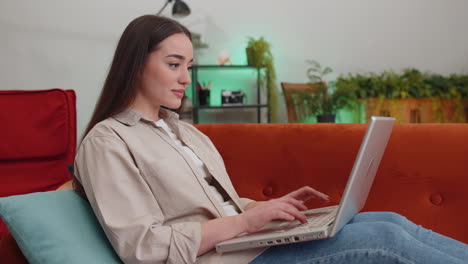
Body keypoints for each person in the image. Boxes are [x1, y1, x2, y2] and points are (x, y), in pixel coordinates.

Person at [73, 15, 468, 264]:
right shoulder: (107, 142)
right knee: (383, 239)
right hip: (226, 260)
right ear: (136, 63)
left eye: (188, 67)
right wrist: (248, 222)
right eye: (174, 65)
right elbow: (143, 249)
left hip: (247, 245)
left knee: (388, 220)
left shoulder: (185, 132)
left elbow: (220, 208)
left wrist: (266, 209)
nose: (184, 78)